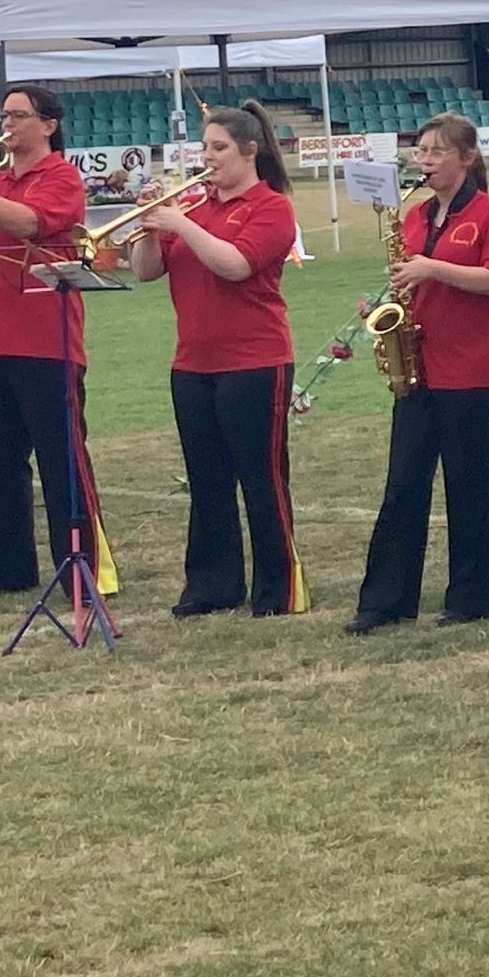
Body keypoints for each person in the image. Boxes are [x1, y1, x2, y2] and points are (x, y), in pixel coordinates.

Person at [0, 87, 112, 605]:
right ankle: (7, 569)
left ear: (48, 125)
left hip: (46, 339)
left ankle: (81, 570)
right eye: (3, 115)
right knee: (1, 463)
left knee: (61, 462)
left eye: (18, 115)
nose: (7, 124)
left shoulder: (60, 177)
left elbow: (31, 223)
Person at [131, 104, 303, 618]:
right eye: (204, 148)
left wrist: (181, 224)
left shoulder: (271, 207)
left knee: (262, 476)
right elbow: (145, 272)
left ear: (250, 151)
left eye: (219, 148)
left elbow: (237, 264)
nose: (208, 158)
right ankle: (211, 583)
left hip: (255, 358)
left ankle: (277, 587)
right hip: (193, 362)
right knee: (206, 479)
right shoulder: (195, 208)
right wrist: (146, 228)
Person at [354, 112, 489, 627]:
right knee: (402, 485)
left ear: (467, 158)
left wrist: (431, 269)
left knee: (471, 486)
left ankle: (473, 598)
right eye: (420, 151)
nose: (424, 161)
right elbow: (412, 281)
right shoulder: (416, 216)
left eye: (436, 152)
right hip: (420, 366)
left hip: (471, 367)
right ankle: (386, 601)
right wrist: (385, 303)